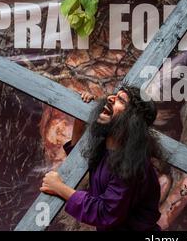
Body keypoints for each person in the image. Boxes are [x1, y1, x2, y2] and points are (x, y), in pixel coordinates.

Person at [40, 85, 163, 231]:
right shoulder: (106, 148)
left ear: (132, 119)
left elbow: (105, 212)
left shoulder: (132, 165)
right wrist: (82, 111)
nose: (110, 98)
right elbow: (79, 155)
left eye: (120, 100)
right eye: (115, 95)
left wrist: (59, 188)